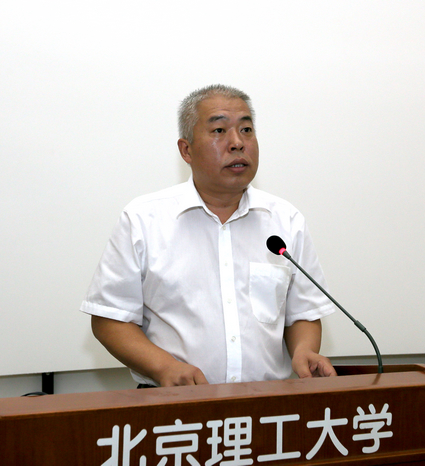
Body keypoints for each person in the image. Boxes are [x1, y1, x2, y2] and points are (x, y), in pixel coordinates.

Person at [80, 84, 336, 387]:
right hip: (173, 403)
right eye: (219, 131)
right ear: (186, 150)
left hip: (266, 403)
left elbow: (303, 313)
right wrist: (164, 367)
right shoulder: (142, 220)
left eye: (246, 130)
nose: (237, 143)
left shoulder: (286, 220)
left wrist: (304, 350)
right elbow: (110, 319)